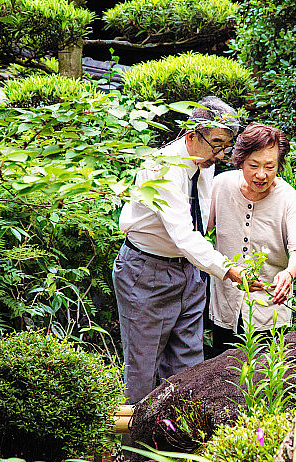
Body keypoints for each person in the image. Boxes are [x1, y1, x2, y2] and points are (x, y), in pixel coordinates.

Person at [113, 96, 262, 405]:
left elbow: (200, 223)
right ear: (193, 134)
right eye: (217, 144)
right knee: (143, 371)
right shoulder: (164, 168)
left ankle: (180, 434)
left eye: (227, 146)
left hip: (189, 271)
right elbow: (183, 234)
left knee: (189, 368)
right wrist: (227, 269)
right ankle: (136, 437)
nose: (220, 154)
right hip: (147, 271)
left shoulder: (204, 162)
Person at [208, 123, 296, 356]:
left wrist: (289, 273)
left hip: (270, 312)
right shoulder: (220, 185)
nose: (261, 174)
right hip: (225, 308)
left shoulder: (289, 199)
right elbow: (198, 233)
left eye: (270, 166)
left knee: (267, 372)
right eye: (253, 165)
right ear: (240, 161)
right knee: (223, 372)